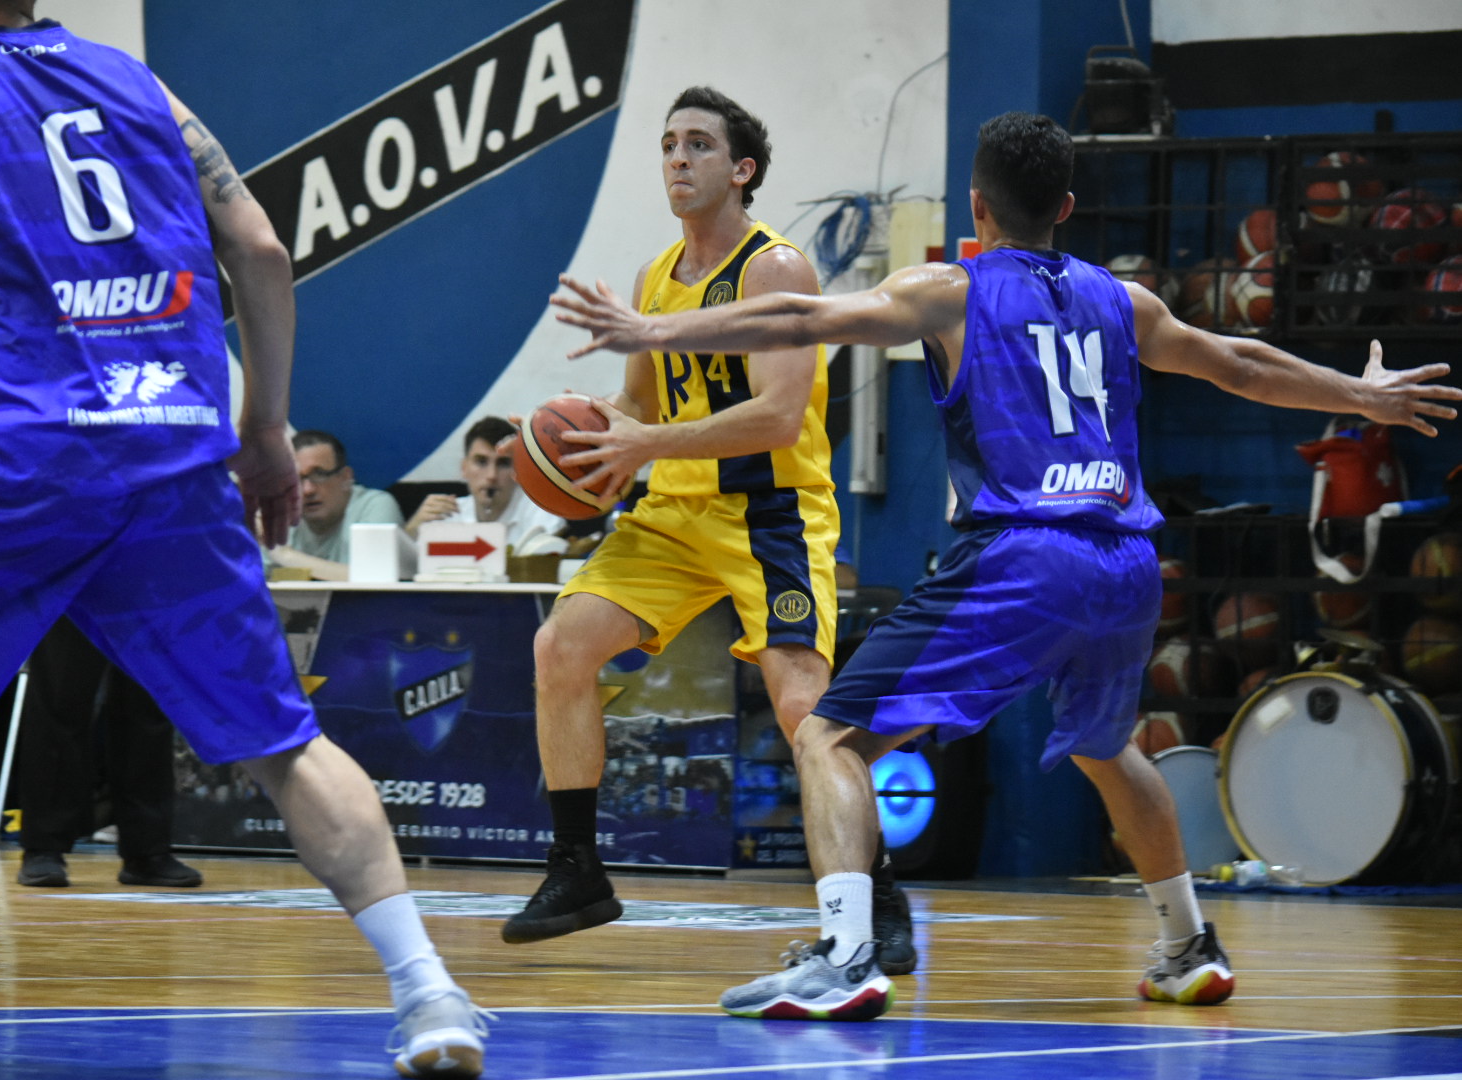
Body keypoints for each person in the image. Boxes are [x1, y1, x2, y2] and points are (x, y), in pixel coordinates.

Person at [552, 110, 1462, 1020]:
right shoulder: (1125, 300)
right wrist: (1360, 394)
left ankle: (846, 956)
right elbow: (1239, 364)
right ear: (1064, 206)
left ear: (976, 206)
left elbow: (800, 315)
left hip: (1025, 555)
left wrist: (651, 332)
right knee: (1107, 749)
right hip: (1130, 562)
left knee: (829, 739)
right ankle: (1188, 945)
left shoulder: (951, 291)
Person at [0, 5, 489, 1074]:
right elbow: (261, 249)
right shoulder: (143, 89)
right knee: (286, 742)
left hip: (10, 463)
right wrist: (266, 430)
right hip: (169, 453)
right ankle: (431, 993)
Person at [498, 86, 916, 977]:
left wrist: (644, 443)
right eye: (668, 145)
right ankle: (576, 868)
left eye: (698, 144)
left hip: (770, 511)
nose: (678, 159)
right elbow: (639, 408)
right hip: (673, 515)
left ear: (742, 170)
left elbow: (775, 417)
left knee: (806, 711)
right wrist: (577, 439)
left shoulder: (777, 271)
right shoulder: (655, 279)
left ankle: (875, 893)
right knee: (560, 647)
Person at [15, 618, 203, 889]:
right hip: (70, 592)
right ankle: (43, 847)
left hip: (150, 593)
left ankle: (148, 851)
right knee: (60, 695)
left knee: (148, 708)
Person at [263, 430, 405, 581]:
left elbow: (377, 578)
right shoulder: (280, 517)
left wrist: (285, 555)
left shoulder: (374, 506)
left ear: (345, 478)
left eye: (319, 474)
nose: (307, 490)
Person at [407, 416, 568, 543]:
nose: (492, 475)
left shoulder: (540, 514)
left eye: (503, 463)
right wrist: (412, 531)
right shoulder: (446, 515)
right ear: (464, 468)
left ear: (518, 470)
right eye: (481, 462)